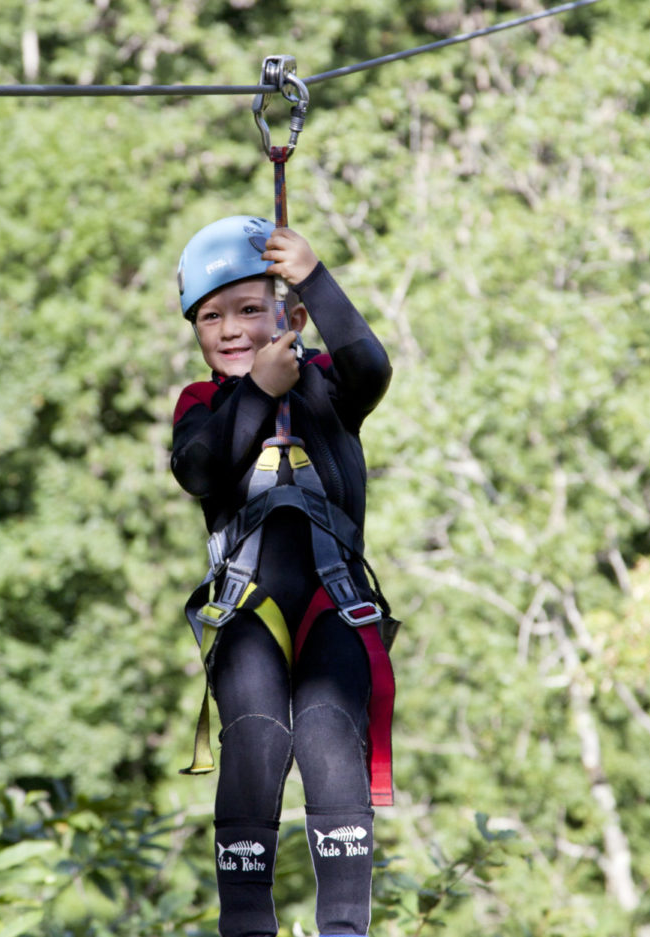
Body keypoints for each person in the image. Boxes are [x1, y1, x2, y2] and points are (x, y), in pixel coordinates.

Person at [171, 214, 396, 937]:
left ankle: (343, 927)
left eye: (248, 309)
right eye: (212, 316)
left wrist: (315, 276)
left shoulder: (329, 387)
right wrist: (259, 391)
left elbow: (372, 366)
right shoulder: (201, 405)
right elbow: (200, 469)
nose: (232, 329)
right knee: (258, 735)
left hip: (335, 602)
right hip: (249, 611)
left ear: (289, 316)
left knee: (331, 731)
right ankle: (246, 924)